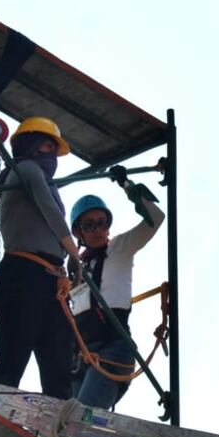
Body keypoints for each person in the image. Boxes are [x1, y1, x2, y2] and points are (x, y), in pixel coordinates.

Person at [0, 117, 83, 401]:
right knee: (14, 355)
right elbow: (48, 212)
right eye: (46, 144)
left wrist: (66, 263)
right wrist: (74, 253)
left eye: (54, 149)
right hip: (23, 274)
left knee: (58, 361)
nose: (51, 153)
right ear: (29, 145)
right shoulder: (25, 169)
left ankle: (60, 425)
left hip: (50, 282)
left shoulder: (45, 181)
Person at [69, 166, 165, 410]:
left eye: (101, 223)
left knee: (81, 417)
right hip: (80, 355)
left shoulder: (121, 247)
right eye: (89, 226)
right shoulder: (76, 269)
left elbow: (156, 219)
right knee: (63, 417)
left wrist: (128, 187)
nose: (98, 230)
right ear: (79, 232)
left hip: (113, 348)